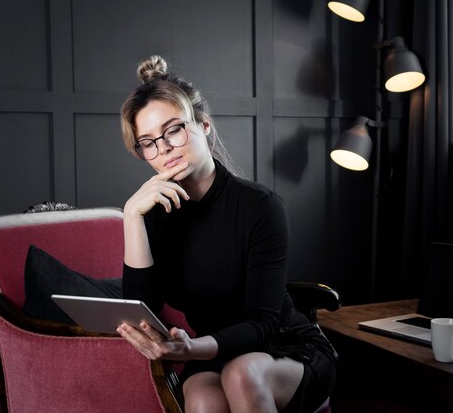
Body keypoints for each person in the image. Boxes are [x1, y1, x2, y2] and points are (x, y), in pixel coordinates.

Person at [116, 55, 338, 413]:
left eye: (173, 129)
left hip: (285, 348)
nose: (165, 148)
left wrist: (191, 348)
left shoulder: (260, 206)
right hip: (211, 351)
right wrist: (131, 217)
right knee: (203, 399)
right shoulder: (153, 214)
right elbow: (142, 312)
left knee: (241, 374)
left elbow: (263, 324)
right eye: (149, 142)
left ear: (203, 125)